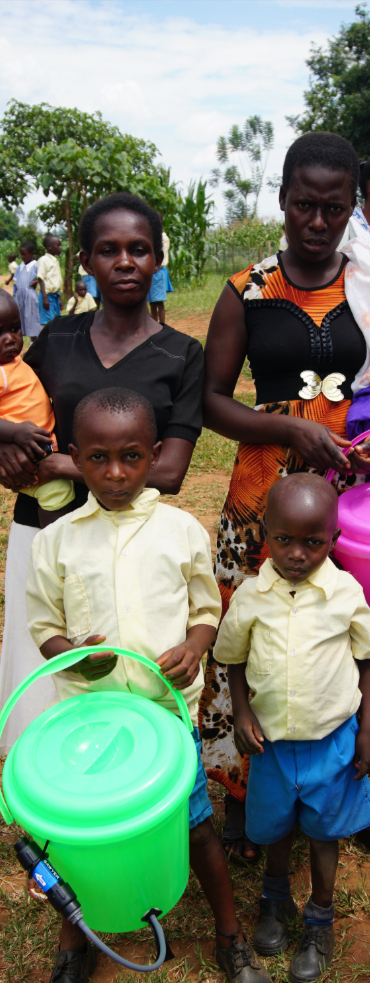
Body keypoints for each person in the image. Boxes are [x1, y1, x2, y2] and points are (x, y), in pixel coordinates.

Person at [25, 387, 276, 983]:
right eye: (99, 458)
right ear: (74, 459)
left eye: (131, 457)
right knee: (79, 845)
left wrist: (195, 647)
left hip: (164, 721)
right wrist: (73, 653)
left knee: (194, 826)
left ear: (155, 455)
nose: (115, 473)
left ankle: (229, 938)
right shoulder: (54, 542)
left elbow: (204, 609)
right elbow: (42, 624)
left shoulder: (180, 531)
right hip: (90, 727)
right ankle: (75, 944)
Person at [200, 131, 370, 863]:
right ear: (283, 201)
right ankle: (242, 786)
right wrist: (287, 425)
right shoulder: (248, 290)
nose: (318, 222)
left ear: (351, 204)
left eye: (333, 206)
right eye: (303, 206)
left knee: (357, 637)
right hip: (263, 493)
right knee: (248, 630)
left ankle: (355, 789)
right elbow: (211, 402)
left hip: (356, 494)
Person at [0, 193, 206, 758]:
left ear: (157, 260)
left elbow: (168, 471)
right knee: (49, 668)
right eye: (108, 250)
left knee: (120, 670)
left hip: (134, 538)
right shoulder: (55, 340)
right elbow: (22, 416)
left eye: (139, 249)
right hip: (46, 532)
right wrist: (11, 453)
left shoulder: (182, 354)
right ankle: (55, 808)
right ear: (86, 262)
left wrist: (61, 463)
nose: (124, 261)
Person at [214, 474, 370, 983]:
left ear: (333, 538)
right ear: (266, 531)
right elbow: (234, 660)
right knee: (276, 826)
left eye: (314, 542)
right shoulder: (250, 597)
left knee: (324, 831)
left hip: (332, 743)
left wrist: (368, 728)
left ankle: (320, 918)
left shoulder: (345, 592)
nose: (297, 554)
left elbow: (367, 661)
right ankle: (275, 897)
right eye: (284, 539)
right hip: (272, 747)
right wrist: (241, 712)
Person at [0, 291, 74, 526]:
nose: (10, 339)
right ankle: (52, 541)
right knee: (57, 492)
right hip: (28, 452)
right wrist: (15, 432)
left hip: (40, 447)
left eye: (15, 328)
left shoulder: (12, 363)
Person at [12, 240, 41, 342]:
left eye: (24, 254)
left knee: (32, 319)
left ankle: (33, 344)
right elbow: (16, 281)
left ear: (31, 253)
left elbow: (43, 277)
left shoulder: (36, 265)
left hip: (30, 296)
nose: (22, 257)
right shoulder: (20, 267)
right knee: (19, 320)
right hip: (19, 296)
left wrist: (37, 281)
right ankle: (19, 343)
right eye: (21, 255)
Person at [33, 234, 63, 327]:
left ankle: (53, 340)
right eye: (58, 245)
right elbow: (40, 278)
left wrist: (60, 298)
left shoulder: (54, 260)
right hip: (47, 296)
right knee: (47, 323)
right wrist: (45, 298)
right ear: (49, 247)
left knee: (56, 321)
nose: (60, 247)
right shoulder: (44, 260)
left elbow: (55, 282)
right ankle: (46, 341)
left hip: (55, 296)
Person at [148, 230, 173, 324]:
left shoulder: (163, 239)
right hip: (151, 271)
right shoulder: (153, 237)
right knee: (152, 302)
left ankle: (162, 325)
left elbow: (160, 253)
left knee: (159, 301)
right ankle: (155, 324)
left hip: (158, 270)